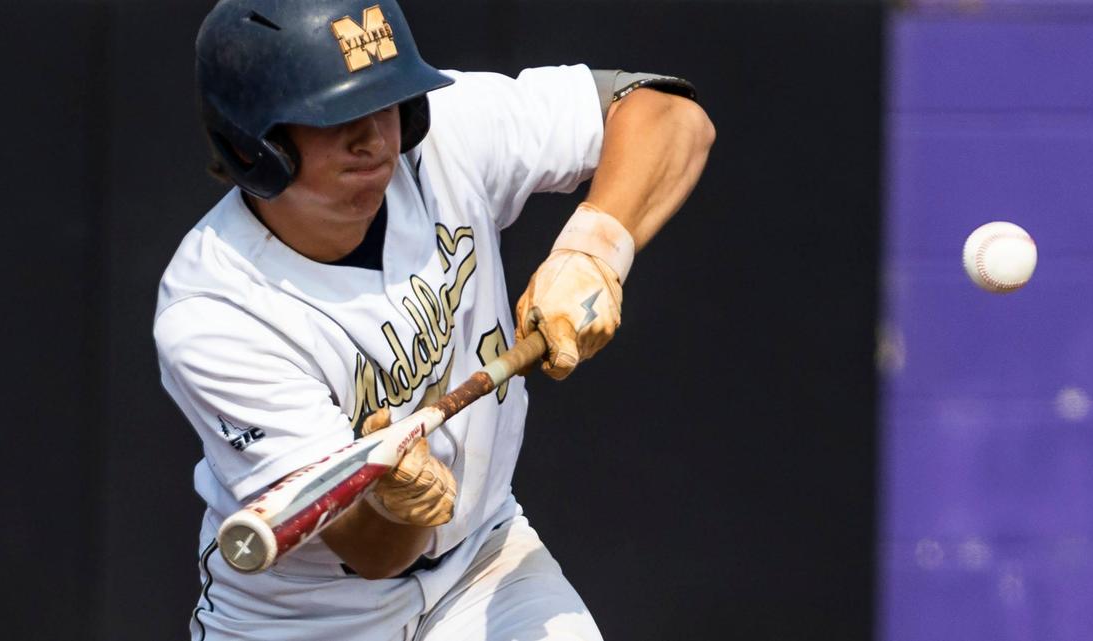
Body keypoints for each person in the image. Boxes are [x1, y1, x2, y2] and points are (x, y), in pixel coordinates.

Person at [154, 1, 714, 639]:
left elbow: (670, 114)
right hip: (306, 616)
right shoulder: (215, 313)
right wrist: (398, 507)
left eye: (387, 101)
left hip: (484, 556)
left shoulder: (446, 132)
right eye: (334, 116)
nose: (374, 137)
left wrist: (596, 247)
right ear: (253, 142)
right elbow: (372, 554)